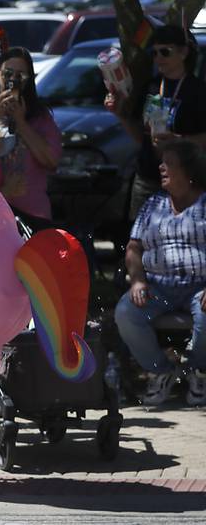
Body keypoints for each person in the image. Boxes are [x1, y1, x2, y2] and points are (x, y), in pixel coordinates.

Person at [114, 140, 206, 407]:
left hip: (200, 286)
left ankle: (198, 371)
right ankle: (161, 371)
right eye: (161, 162)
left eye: (169, 163)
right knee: (126, 312)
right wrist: (138, 280)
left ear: (189, 171)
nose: (161, 167)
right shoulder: (153, 204)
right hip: (159, 286)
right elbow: (133, 248)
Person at [105, 25, 206, 220]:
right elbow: (140, 136)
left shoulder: (198, 92)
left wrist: (177, 141)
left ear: (184, 52)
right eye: (155, 52)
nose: (158, 58)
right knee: (140, 241)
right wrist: (119, 114)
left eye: (165, 52)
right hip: (147, 177)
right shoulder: (151, 86)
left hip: (184, 181)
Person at [0, 47, 62, 221]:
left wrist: (21, 123)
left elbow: (51, 161)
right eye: (8, 73)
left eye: (20, 76)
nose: (13, 80)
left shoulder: (40, 117)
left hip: (33, 213)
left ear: (29, 79)